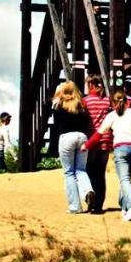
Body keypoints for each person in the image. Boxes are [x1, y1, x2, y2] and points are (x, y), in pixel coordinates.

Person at [98, 88, 131, 221]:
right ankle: (124, 208)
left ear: (113, 102)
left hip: (121, 148)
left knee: (124, 179)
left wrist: (86, 145)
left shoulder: (112, 115)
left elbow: (99, 133)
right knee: (126, 178)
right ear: (127, 101)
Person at [50, 82, 95, 214]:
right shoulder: (81, 105)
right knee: (81, 170)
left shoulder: (59, 104)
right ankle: (88, 191)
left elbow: (54, 117)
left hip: (67, 137)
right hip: (82, 137)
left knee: (69, 172)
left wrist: (58, 94)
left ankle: (75, 206)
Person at [82, 76, 112, 214]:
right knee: (100, 174)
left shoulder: (85, 101)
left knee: (89, 172)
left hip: (90, 140)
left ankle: (90, 198)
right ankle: (99, 205)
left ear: (90, 85)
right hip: (106, 140)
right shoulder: (107, 101)